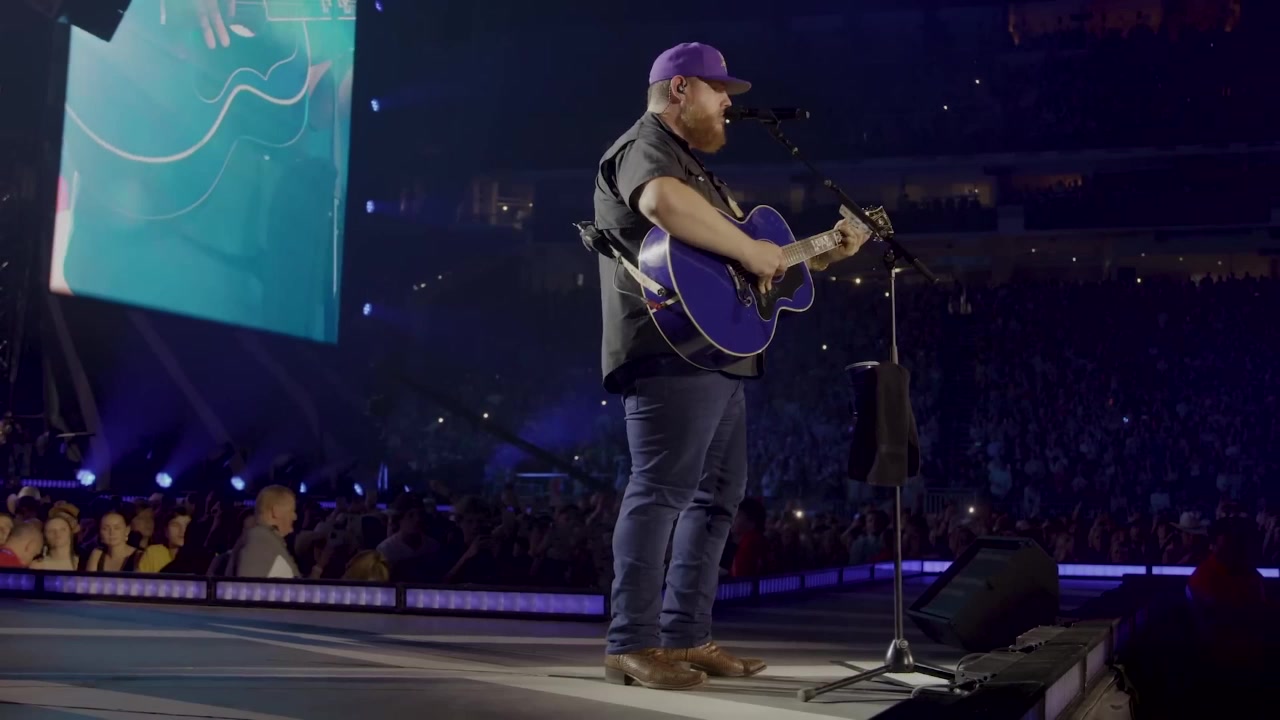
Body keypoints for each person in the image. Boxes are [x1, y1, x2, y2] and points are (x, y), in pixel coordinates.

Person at [592, 42, 871, 690]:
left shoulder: (700, 171)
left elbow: (752, 268)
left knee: (718, 500)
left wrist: (825, 252)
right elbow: (661, 204)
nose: (727, 104)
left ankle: (686, 637)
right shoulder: (645, 146)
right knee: (661, 490)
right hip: (667, 348)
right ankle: (631, 642)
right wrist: (750, 249)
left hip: (716, 351)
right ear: (680, 88)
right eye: (719, 90)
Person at [228, 485, 300, 578]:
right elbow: (249, 584)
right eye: (291, 511)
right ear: (276, 511)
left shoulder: (264, 539)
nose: (295, 517)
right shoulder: (259, 540)